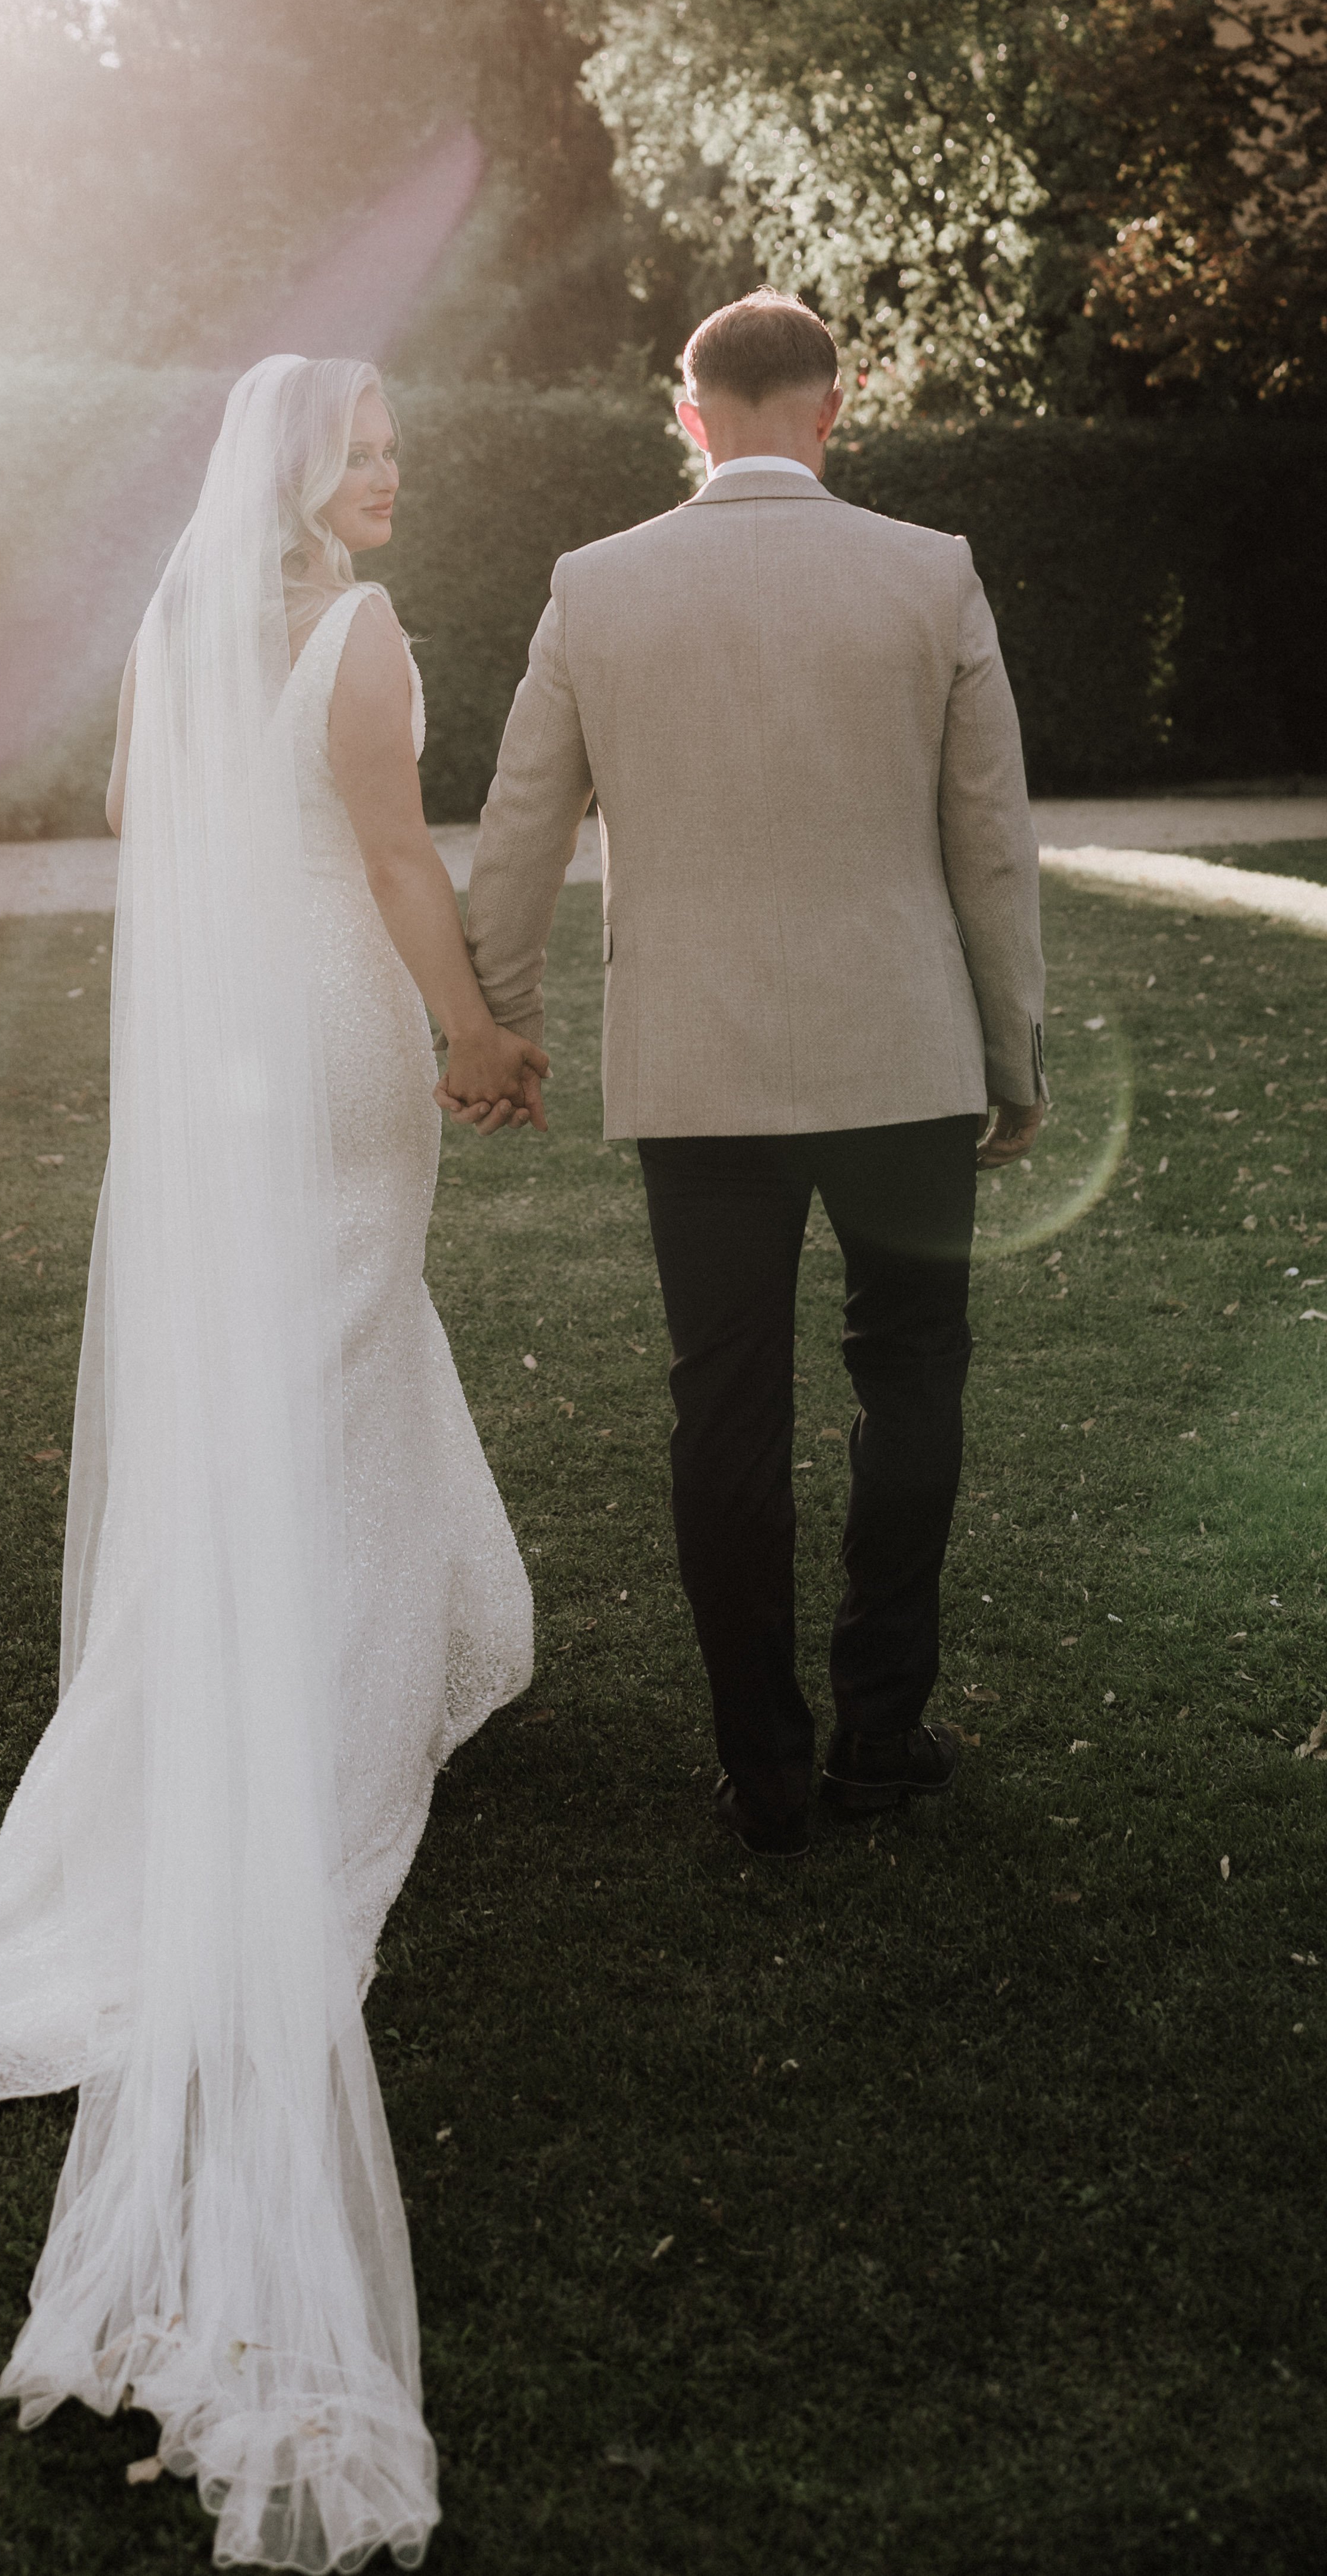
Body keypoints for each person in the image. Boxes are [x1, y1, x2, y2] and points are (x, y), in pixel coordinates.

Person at [0, 356, 536, 2571]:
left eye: (395, 450)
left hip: (225, 1060)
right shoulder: (363, 636)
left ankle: (432, 1628)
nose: (391, 477)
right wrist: (477, 1024)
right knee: (338, 1345)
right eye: (369, 452)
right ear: (305, 477)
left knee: (310, 1357)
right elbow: (402, 856)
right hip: (332, 1039)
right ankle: (342, 1700)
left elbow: (159, 830)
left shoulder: (180, 632)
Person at [463, 291, 1046, 1860]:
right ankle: (881, 1726)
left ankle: (765, 1764)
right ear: (831, 410)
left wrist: (496, 1020)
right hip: (903, 1049)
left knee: (723, 1399)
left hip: (698, 1060)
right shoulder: (930, 575)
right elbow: (991, 840)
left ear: (689, 413)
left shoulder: (597, 587)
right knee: (910, 1368)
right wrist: (1015, 1049)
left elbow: (521, 825)